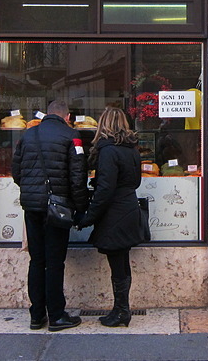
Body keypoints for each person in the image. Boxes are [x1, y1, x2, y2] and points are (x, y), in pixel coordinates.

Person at [12, 99, 88, 332]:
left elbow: (17, 171)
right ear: (67, 117)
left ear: (47, 115)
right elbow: (78, 176)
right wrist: (80, 207)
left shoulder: (28, 135)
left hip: (32, 206)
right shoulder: (72, 136)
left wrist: (32, 191)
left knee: (37, 260)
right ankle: (56, 315)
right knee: (55, 262)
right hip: (57, 208)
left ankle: (36, 315)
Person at [76, 107, 148, 327]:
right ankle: (120, 309)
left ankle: (121, 311)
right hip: (128, 207)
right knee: (121, 261)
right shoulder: (132, 149)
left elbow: (105, 189)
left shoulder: (108, 151)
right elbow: (135, 182)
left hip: (114, 212)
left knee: (117, 262)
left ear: (103, 124)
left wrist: (88, 217)